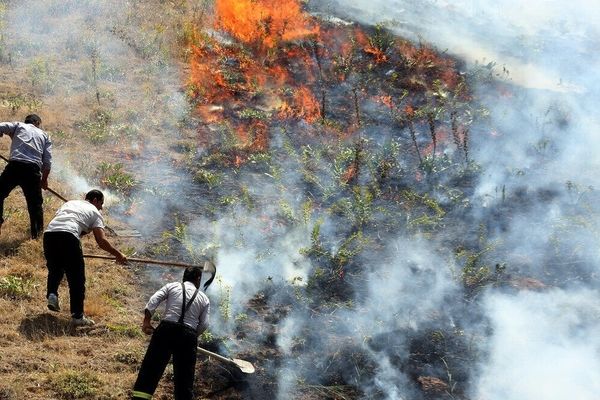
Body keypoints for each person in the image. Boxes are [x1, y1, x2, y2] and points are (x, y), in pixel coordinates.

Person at [44, 189, 127, 326]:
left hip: (49, 234)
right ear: (95, 200)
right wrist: (118, 254)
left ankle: (52, 294)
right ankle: (77, 316)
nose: (101, 208)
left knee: (55, 269)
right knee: (76, 278)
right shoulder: (95, 213)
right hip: (69, 236)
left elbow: (64, 222)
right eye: (101, 204)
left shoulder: (70, 203)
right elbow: (101, 241)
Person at [132, 266, 210, 400]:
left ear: (184, 277)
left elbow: (153, 300)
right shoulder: (204, 299)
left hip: (166, 330)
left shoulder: (172, 286)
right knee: (185, 378)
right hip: (189, 335)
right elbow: (204, 324)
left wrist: (146, 321)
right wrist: (191, 337)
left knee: (150, 370)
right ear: (198, 279)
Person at [0, 114, 52, 239]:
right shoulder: (45, 135)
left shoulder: (18, 126)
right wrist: (43, 180)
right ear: (37, 122)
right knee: (35, 205)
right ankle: (37, 236)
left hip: (14, 167)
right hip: (32, 171)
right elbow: (47, 162)